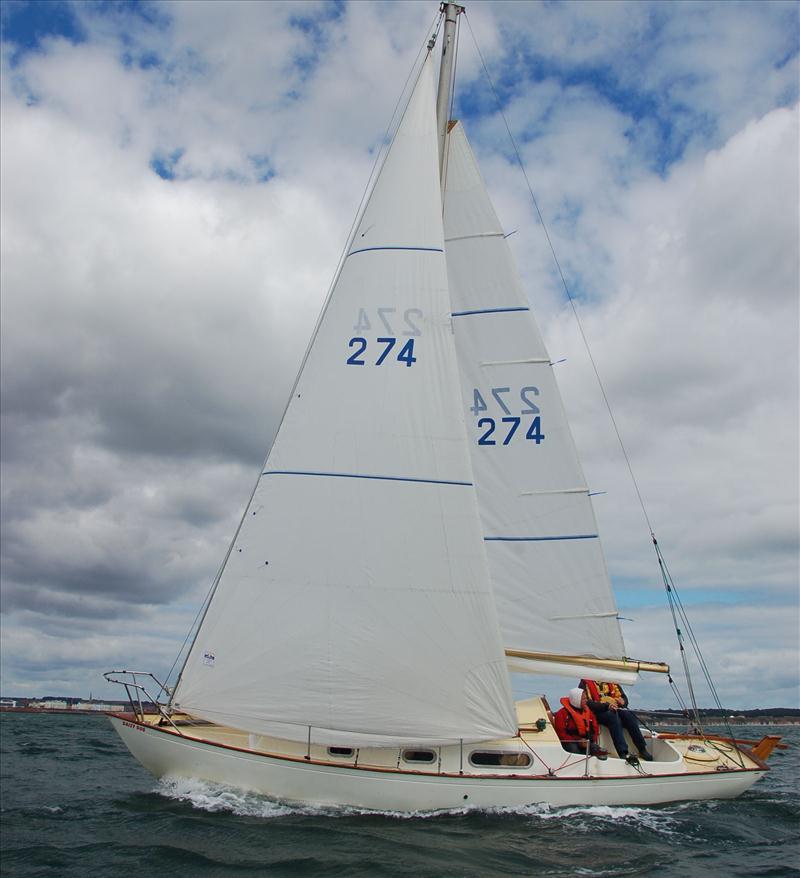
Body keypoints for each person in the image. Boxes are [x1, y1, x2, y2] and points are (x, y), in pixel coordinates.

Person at [580, 679, 653, 763]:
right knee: (613, 717)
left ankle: (642, 748)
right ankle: (622, 752)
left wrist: (623, 702)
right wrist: (606, 706)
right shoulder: (584, 683)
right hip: (598, 712)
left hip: (614, 709)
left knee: (628, 715)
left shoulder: (612, 681)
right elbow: (587, 702)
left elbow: (624, 698)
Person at [553, 687, 608, 759]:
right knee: (574, 749)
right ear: (576, 700)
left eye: (586, 698)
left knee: (598, 751)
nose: (586, 701)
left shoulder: (588, 712)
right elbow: (561, 734)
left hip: (586, 742)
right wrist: (578, 741)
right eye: (583, 699)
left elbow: (595, 728)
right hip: (570, 742)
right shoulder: (561, 714)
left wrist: (590, 740)